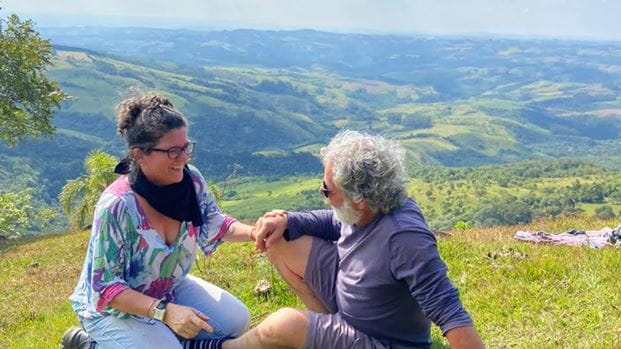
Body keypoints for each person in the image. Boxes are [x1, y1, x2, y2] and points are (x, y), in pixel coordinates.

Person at [220, 130, 485, 349]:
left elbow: (448, 309)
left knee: (285, 324)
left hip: (378, 341)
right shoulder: (364, 210)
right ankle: (326, 330)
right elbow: (333, 221)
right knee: (278, 239)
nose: (321, 192)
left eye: (327, 189)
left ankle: (224, 348)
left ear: (358, 198)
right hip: (346, 298)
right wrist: (288, 220)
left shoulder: (404, 237)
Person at [62, 94, 254, 349]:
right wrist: (164, 312)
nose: (184, 158)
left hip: (166, 287)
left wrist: (256, 232)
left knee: (236, 322)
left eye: (186, 147)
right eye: (173, 151)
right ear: (139, 155)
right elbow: (106, 288)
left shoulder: (191, 181)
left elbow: (215, 223)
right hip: (111, 308)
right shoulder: (117, 205)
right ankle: (88, 344)